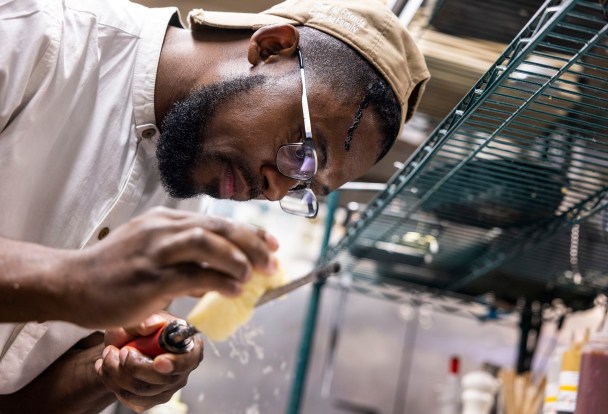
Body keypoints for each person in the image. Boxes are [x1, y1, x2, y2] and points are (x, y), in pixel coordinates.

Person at [0, 0, 429, 411]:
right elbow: (72, 286)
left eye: (306, 187)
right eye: (303, 151)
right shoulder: (34, 34)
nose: (276, 191)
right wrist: (74, 281)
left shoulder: (182, 216)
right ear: (271, 48)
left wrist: (107, 375)